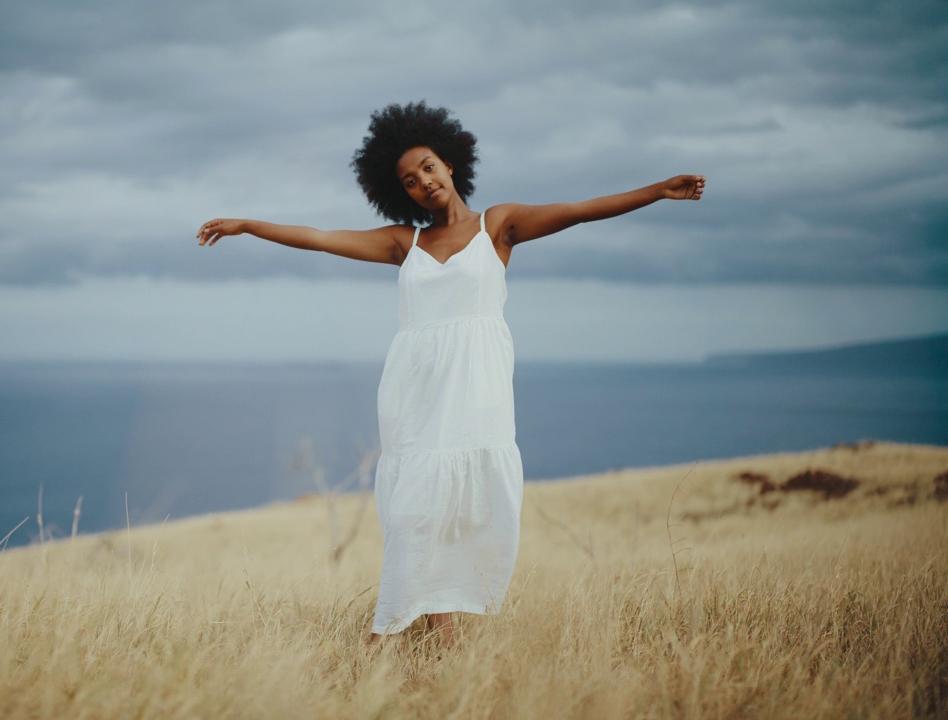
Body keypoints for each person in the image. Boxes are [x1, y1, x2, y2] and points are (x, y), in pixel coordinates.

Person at [196, 101, 704, 646]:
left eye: (430, 168)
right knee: (415, 512)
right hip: (413, 395)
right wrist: (248, 224)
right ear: (403, 193)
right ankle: (404, 632)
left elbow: (578, 209)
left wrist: (655, 191)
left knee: (462, 510)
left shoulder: (499, 226)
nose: (424, 183)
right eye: (410, 181)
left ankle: (428, 636)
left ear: (451, 165)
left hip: (476, 392)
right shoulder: (403, 243)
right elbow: (320, 237)